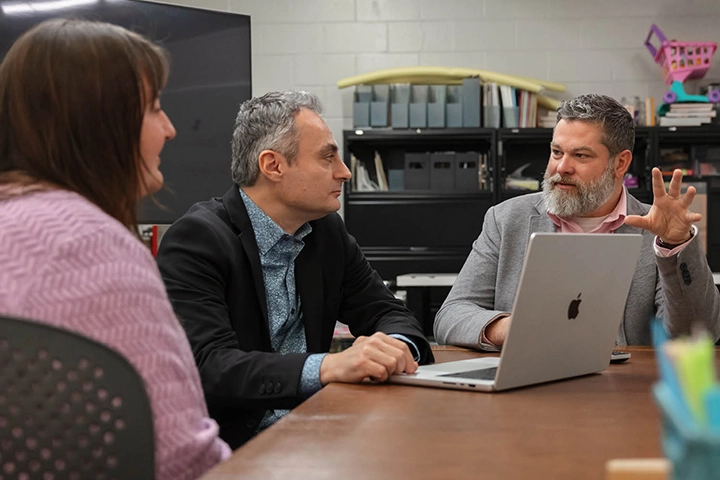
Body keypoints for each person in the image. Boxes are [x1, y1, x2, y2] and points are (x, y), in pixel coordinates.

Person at [0, 19, 230, 479]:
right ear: (100, 122)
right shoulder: (86, 244)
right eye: (155, 109)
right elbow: (182, 458)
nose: (169, 130)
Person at [156, 90, 434, 448]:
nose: (345, 172)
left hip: (320, 431)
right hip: (236, 448)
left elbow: (387, 312)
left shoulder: (325, 231)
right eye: (327, 157)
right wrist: (327, 367)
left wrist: (395, 348)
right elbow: (210, 367)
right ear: (273, 165)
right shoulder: (198, 239)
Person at [434, 93, 720, 350]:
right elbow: (451, 315)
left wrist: (675, 245)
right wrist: (507, 328)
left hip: (624, 392)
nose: (562, 167)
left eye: (580, 155)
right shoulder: (506, 219)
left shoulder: (654, 230)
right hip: (528, 386)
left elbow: (696, 336)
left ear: (620, 163)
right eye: (557, 152)